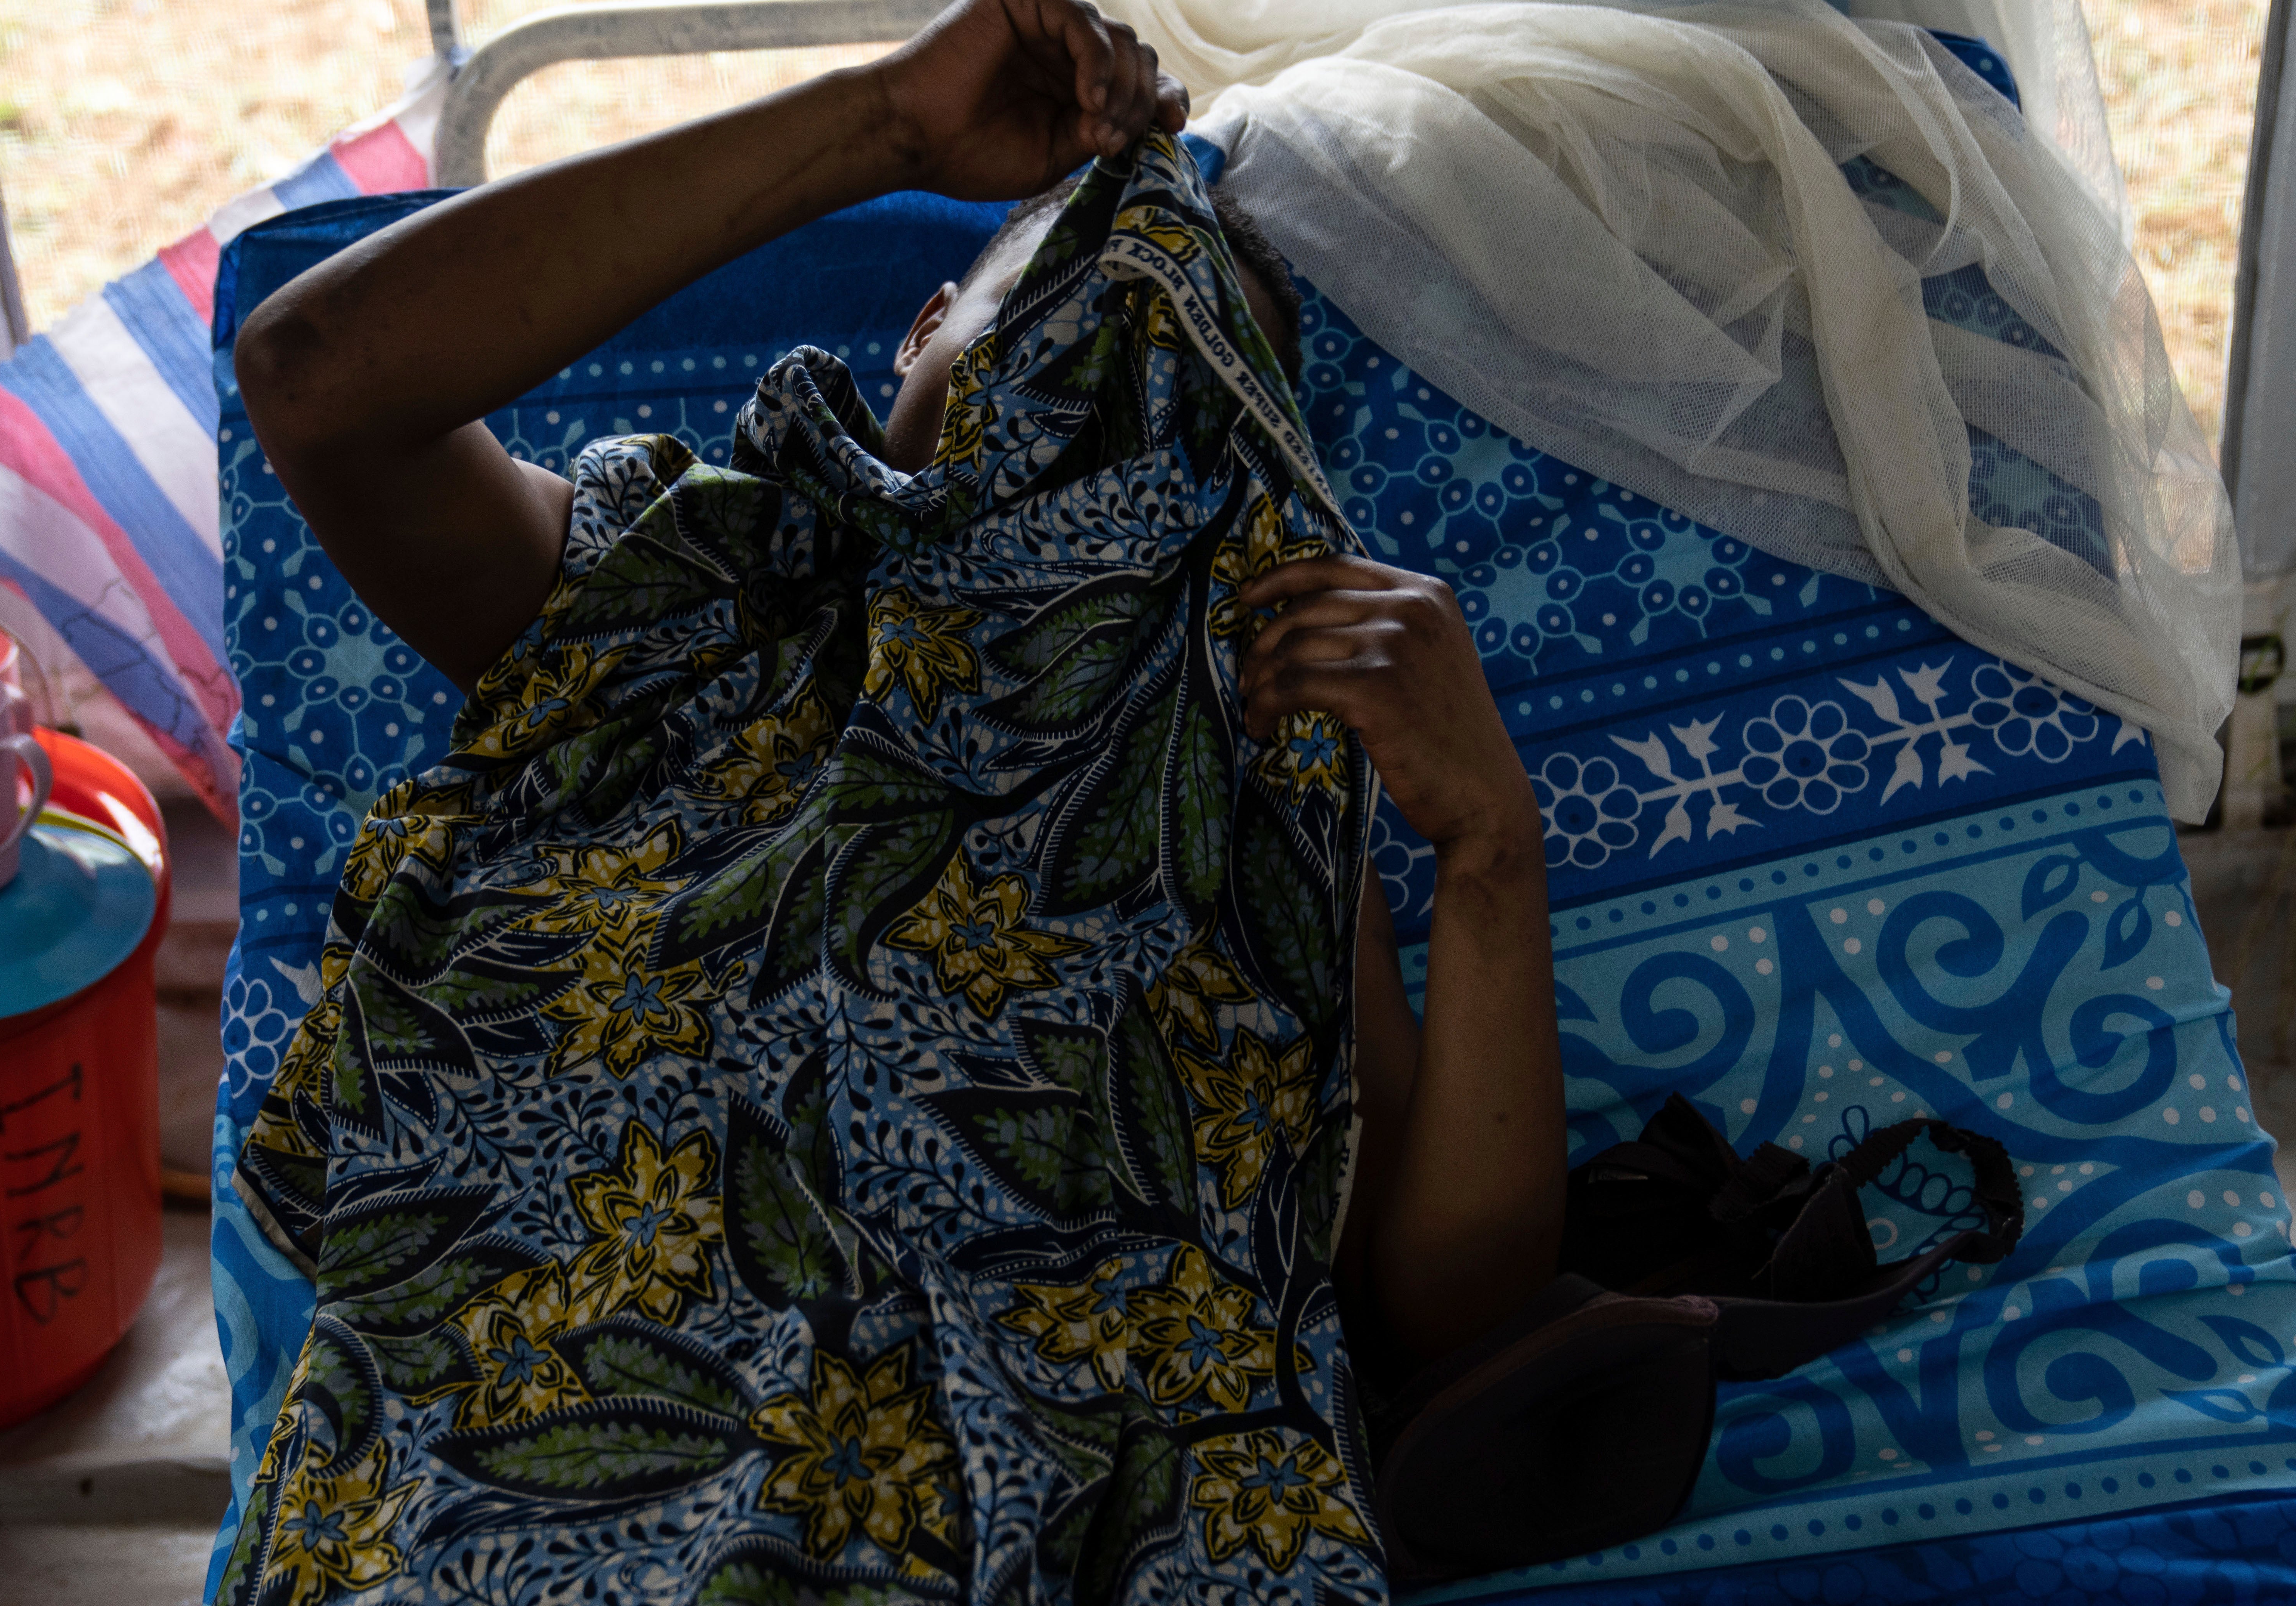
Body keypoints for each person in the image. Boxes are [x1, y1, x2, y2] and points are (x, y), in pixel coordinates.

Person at [223, 2, 1563, 1599]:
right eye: (1071, 300)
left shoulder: (1244, 782)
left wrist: (1490, 851)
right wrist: (885, 127)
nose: (1122, 377)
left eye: (1207, 388)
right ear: (923, 330)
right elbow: (315, 382)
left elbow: (1431, 1300)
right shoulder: (684, 597)